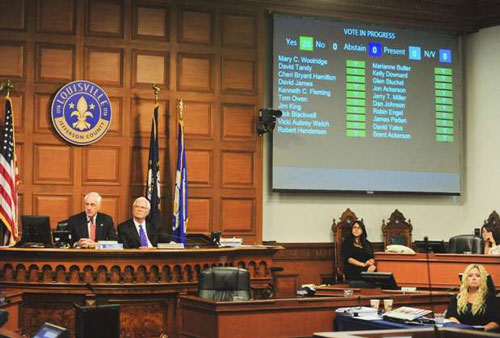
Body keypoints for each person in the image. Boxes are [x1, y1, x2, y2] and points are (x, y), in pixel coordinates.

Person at [446, 264, 500, 331]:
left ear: (483, 279)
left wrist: (480, 331)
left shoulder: (491, 299)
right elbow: (451, 317)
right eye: (470, 275)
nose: (474, 278)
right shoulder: (456, 298)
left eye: (478, 276)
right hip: (460, 333)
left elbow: (496, 321)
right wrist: (462, 330)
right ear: (465, 278)